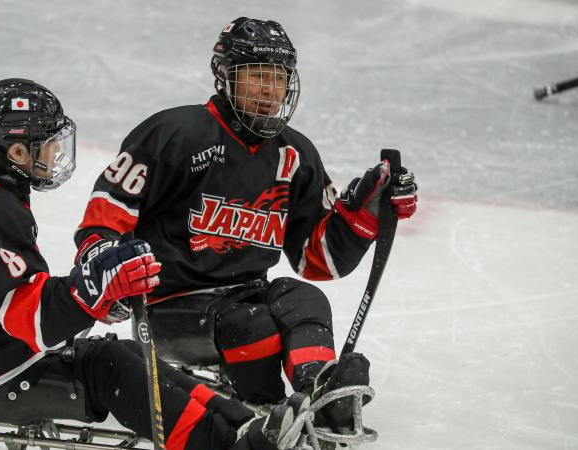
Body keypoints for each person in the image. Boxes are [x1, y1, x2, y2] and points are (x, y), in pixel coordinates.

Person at [0, 78, 306, 450]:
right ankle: (226, 444)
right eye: (48, 144)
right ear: (17, 153)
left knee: (129, 354)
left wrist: (95, 288)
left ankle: (244, 425)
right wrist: (93, 286)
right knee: (113, 367)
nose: (56, 152)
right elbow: (30, 319)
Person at [74, 17, 418, 433]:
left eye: (277, 79)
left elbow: (317, 260)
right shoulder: (173, 134)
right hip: (169, 308)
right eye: (255, 76)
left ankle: (317, 391)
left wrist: (365, 214)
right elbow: (106, 215)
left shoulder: (296, 154)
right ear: (224, 77)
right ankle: (266, 410)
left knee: (304, 298)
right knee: (252, 324)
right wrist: (108, 271)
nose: (268, 91)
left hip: (244, 295)